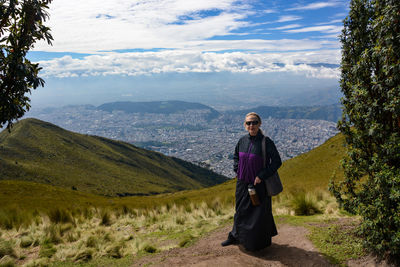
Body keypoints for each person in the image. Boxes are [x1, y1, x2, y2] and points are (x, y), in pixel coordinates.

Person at [221, 112, 282, 251]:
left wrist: (262, 175)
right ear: (245, 125)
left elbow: (277, 162)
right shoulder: (242, 141)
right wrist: (237, 169)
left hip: (258, 185)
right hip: (242, 183)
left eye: (254, 122)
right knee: (240, 210)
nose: (251, 125)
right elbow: (236, 156)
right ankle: (235, 236)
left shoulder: (266, 142)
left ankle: (257, 243)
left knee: (258, 214)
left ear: (259, 124)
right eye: (248, 123)